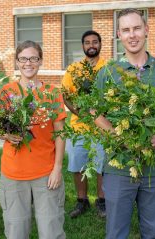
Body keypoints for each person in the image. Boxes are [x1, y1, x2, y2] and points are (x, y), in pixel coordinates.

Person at [95, 8, 155, 238]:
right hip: (118, 166)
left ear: (146, 30)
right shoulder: (107, 72)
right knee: (116, 232)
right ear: (118, 34)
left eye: (136, 28)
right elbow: (96, 114)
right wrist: (118, 136)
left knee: (154, 231)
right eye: (126, 30)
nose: (132, 34)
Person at [0, 40, 67, 239]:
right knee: (16, 232)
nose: (28, 63)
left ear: (40, 61)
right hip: (13, 174)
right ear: (17, 62)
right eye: (23, 59)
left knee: (50, 231)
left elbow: (60, 133)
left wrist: (57, 168)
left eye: (33, 58)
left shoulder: (52, 93)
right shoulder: (5, 93)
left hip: (45, 174)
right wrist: (6, 134)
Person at [62, 30, 106, 218]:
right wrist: (81, 114)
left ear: (100, 44)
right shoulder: (74, 69)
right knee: (77, 164)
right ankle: (82, 201)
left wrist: (99, 116)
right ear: (82, 46)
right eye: (87, 42)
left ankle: (102, 201)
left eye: (94, 42)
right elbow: (66, 95)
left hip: (103, 127)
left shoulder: (109, 68)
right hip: (78, 127)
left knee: (102, 165)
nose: (91, 45)